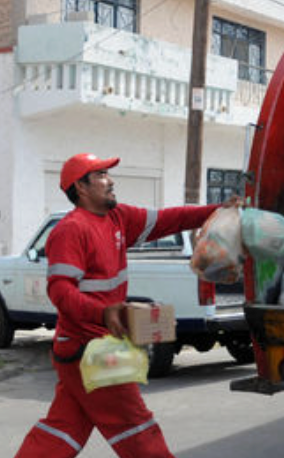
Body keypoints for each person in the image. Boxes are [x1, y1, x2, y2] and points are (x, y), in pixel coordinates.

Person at [15, 153, 225, 458]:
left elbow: (170, 219)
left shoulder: (118, 218)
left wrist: (218, 212)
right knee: (138, 430)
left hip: (90, 348)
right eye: (100, 175)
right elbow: (60, 291)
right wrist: (102, 312)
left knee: (62, 431)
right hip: (88, 349)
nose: (111, 180)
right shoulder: (70, 230)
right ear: (81, 187)